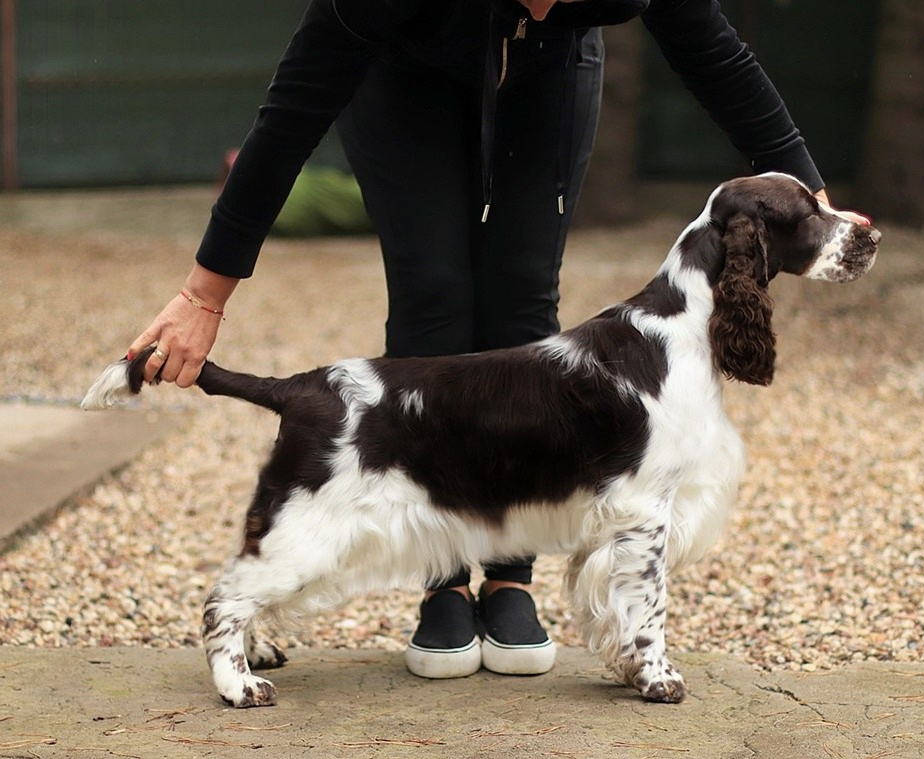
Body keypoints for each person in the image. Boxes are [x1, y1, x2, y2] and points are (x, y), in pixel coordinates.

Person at [127, 0, 870, 681]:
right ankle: (443, 582)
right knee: (433, 297)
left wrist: (806, 199)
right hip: (405, 74)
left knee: (522, 299)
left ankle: (510, 575)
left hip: (548, 77)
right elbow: (290, 112)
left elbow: (718, 56)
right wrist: (204, 294)